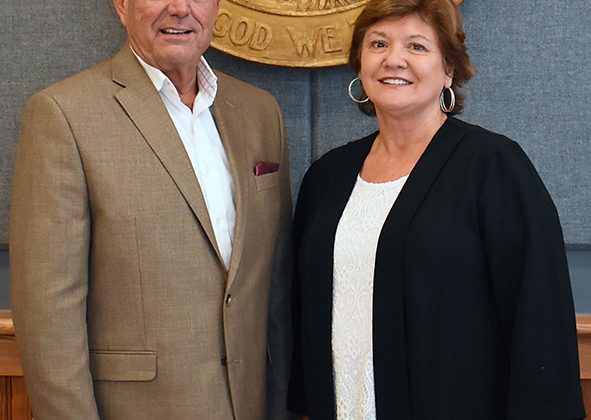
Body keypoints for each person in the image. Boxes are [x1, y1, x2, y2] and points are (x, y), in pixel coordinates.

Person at [287, 0, 585, 418]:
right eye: (378, 44)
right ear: (360, 65)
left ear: (449, 69)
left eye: (417, 46)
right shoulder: (326, 178)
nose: (394, 59)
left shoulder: (493, 167)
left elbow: (540, 317)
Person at [9, 0, 293, 419]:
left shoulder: (260, 112)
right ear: (122, 6)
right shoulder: (64, 114)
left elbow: (276, 288)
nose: (179, 9)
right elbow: (48, 314)